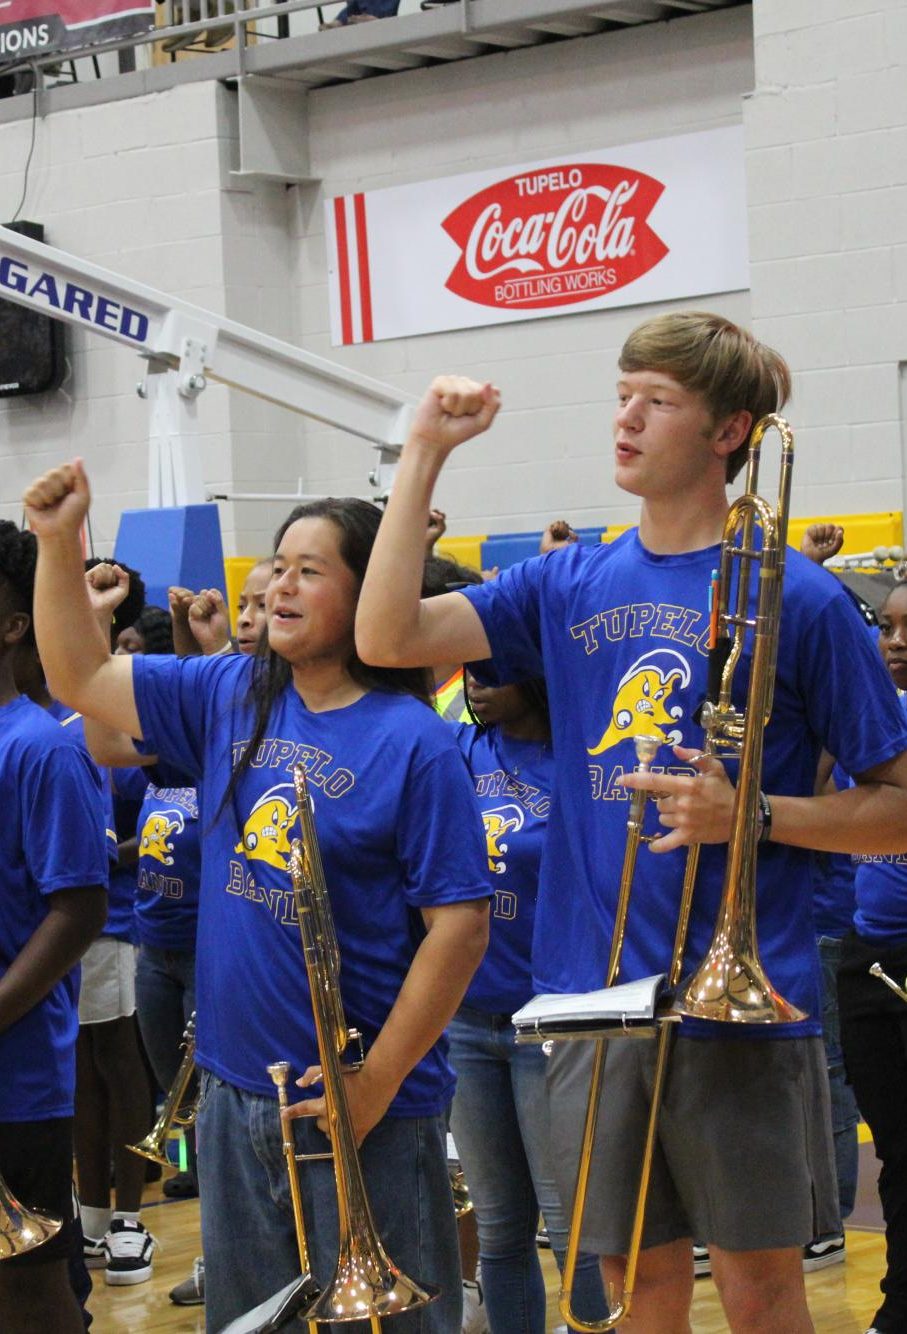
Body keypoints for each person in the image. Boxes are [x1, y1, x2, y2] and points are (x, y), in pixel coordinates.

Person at [354, 315, 907, 1333]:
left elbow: (899, 810)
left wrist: (757, 812)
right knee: (630, 1286)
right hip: (591, 990)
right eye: (622, 393)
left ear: (729, 428)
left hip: (741, 1001)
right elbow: (387, 631)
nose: (625, 418)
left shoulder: (807, 599)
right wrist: (423, 453)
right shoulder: (569, 580)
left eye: (656, 400)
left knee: (758, 1286)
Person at [23, 468, 491, 1334]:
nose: (278, 585)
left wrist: (377, 1081)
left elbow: (459, 928)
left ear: (367, 595)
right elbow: (82, 678)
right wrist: (58, 544)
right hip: (239, 1094)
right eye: (278, 565)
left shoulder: (415, 743)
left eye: (309, 570)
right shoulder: (230, 690)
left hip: (359, 1099)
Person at [449, 673, 605, 1332]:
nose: (477, 685)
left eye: (495, 671)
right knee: (499, 1228)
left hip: (550, 1025)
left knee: (573, 1233)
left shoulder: (581, 760)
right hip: (464, 1020)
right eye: (470, 672)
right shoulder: (460, 750)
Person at [0, 522, 109, 1334]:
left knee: (29, 1285)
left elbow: (78, 910)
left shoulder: (41, 749)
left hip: (17, 1074)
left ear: (12, 624)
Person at [838, 578, 907, 1334]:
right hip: (868, 954)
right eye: (886, 626)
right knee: (893, 1150)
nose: (894, 641)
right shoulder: (867, 718)